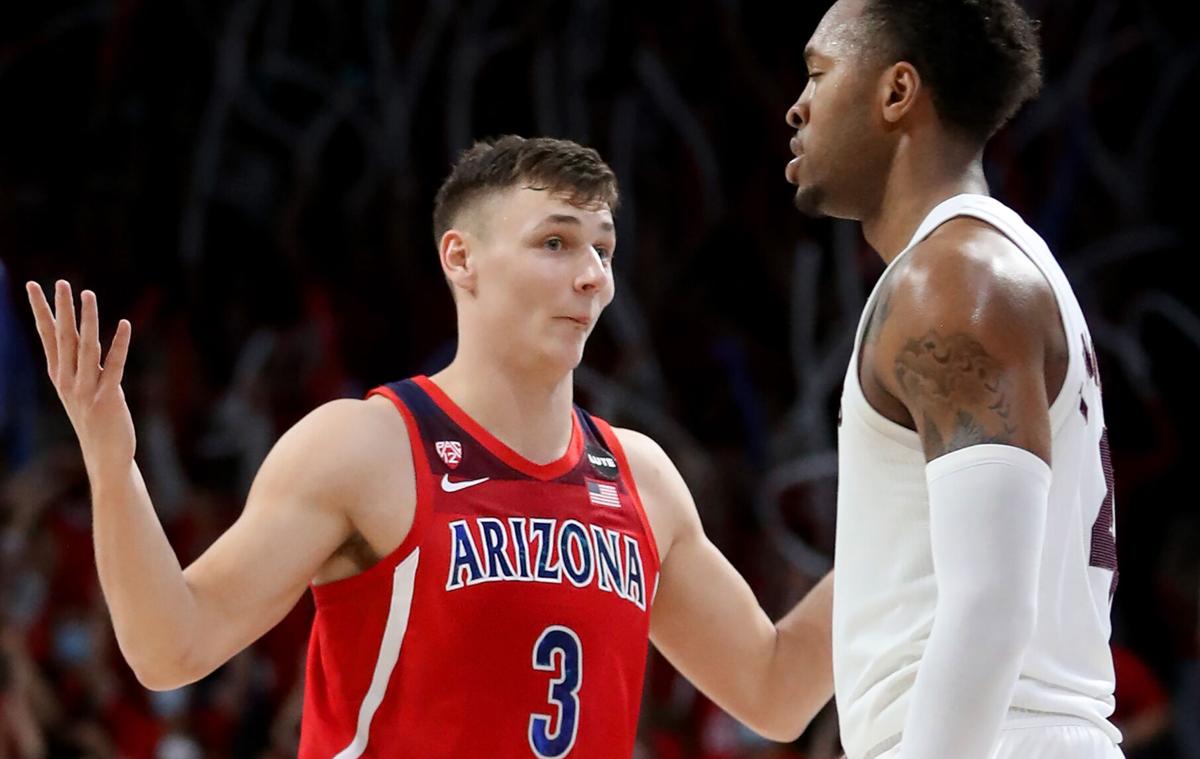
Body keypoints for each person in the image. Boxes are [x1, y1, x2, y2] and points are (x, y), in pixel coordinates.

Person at [26, 135, 833, 758]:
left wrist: (926, 509)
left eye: (602, 249)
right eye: (556, 242)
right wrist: (112, 463)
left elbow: (774, 687)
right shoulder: (368, 447)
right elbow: (172, 647)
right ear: (462, 259)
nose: (591, 274)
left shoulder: (641, 479)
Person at [784, 1, 1122, 757]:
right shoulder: (975, 265)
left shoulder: (955, 279)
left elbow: (989, 609)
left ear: (897, 92)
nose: (796, 105)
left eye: (818, 73)